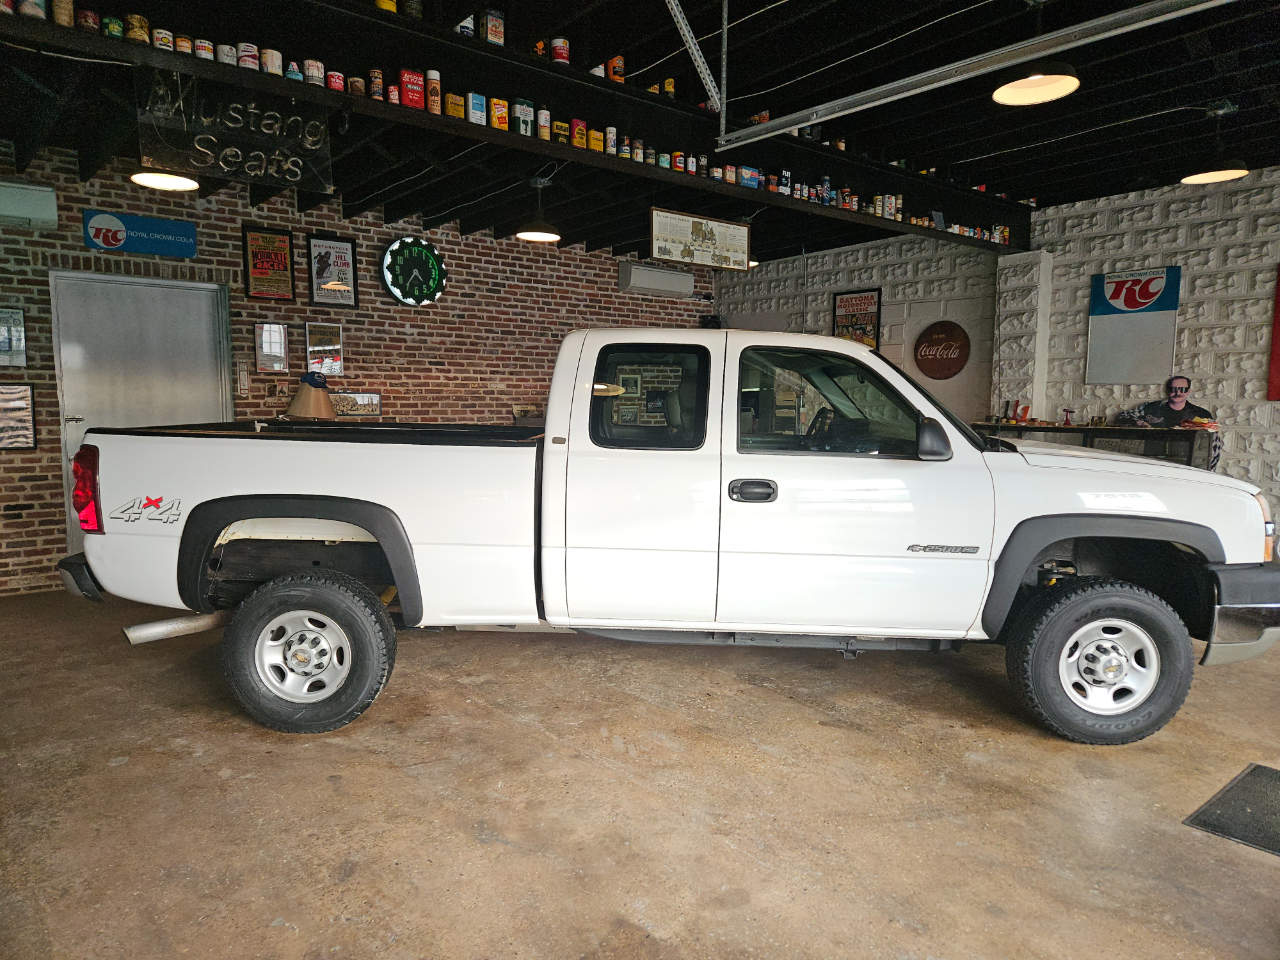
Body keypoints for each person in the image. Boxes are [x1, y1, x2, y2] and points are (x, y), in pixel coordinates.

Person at [1113, 376, 1212, 428]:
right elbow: (1121, 417)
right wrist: (1137, 422)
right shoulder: (1151, 407)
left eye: (1182, 389)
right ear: (1167, 391)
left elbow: (1211, 441)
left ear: (1188, 391)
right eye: (1173, 389)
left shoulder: (1202, 414)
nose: (1177, 393)